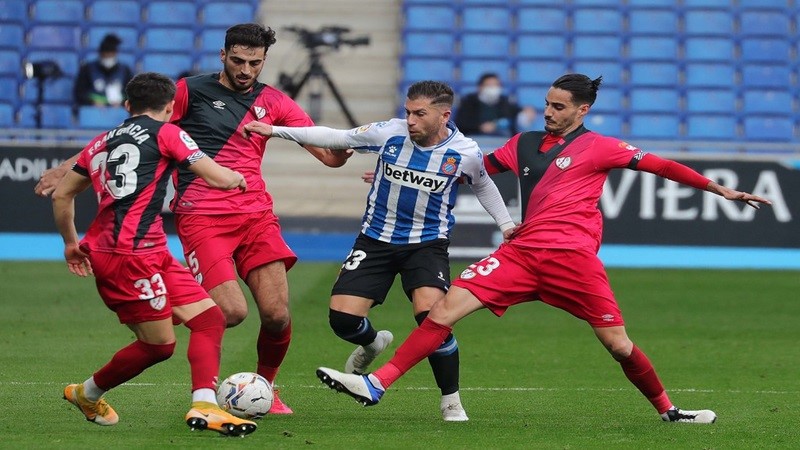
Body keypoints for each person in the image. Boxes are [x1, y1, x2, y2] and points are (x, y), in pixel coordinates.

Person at [314, 74, 773, 424]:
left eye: (558, 107)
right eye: (547, 104)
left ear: (582, 109)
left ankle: (669, 410)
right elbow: (468, 171)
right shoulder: (525, 142)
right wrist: (399, 171)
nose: (548, 112)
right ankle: (376, 384)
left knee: (618, 345)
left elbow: (662, 166)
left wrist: (720, 189)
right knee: (441, 312)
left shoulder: (602, 147)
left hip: (573, 260)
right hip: (522, 252)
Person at [37, 23, 351, 415]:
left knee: (276, 314)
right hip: (201, 218)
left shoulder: (276, 102)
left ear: (264, 61)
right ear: (223, 56)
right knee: (230, 313)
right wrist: (66, 168)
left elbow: (328, 155)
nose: (245, 69)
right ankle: (152, 311)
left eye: (254, 62)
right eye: (238, 60)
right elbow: (131, 133)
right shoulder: (189, 91)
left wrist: (343, 149)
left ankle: (265, 390)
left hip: (256, 217)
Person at [241, 80, 516, 421]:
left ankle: (451, 400)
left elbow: (483, 184)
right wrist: (274, 130)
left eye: (420, 114)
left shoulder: (465, 152)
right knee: (342, 319)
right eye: (408, 112)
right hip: (375, 240)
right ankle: (372, 343)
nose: (411, 120)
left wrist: (505, 225)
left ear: (444, 115)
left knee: (431, 316)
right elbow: (336, 137)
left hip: (426, 244)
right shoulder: (389, 133)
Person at [52, 72, 256, 436]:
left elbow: (62, 194)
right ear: (169, 107)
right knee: (159, 347)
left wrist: (71, 243)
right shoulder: (168, 132)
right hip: (129, 256)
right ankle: (87, 394)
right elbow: (217, 177)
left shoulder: (101, 142)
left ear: (127, 105)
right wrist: (236, 178)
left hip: (149, 251)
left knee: (211, 319)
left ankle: (205, 405)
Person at [454, 72, 535, 137]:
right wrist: (480, 127)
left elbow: (516, 114)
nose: (493, 88)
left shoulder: (505, 101)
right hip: (475, 139)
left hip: (502, 140)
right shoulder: (468, 101)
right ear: (480, 87)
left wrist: (527, 111)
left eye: (496, 85)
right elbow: (461, 124)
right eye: (489, 85)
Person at [73, 33, 134, 109]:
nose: (108, 58)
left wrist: (121, 103)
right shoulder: (87, 69)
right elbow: (79, 93)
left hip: (118, 113)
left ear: (115, 54)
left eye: (110, 55)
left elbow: (132, 95)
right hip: (93, 112)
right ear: (100, 54)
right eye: (105, 55)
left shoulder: (125, 70)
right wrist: (92, 102)